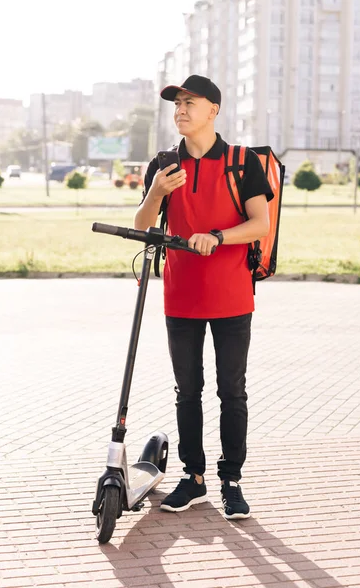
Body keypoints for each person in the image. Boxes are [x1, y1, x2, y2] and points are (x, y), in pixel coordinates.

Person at [134, 74, 274, 520]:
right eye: (176, 103)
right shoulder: (164, 164)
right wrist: (157, 190)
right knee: (186, 391)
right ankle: (193, 479)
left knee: (232, 391)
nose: (180, 109)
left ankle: (231, 480)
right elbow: (142, 227)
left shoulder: (241, 161)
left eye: (189, 102)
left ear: (213, 110)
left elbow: (260, 224)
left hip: (232, 296)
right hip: (181, 296)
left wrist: (217, 235)